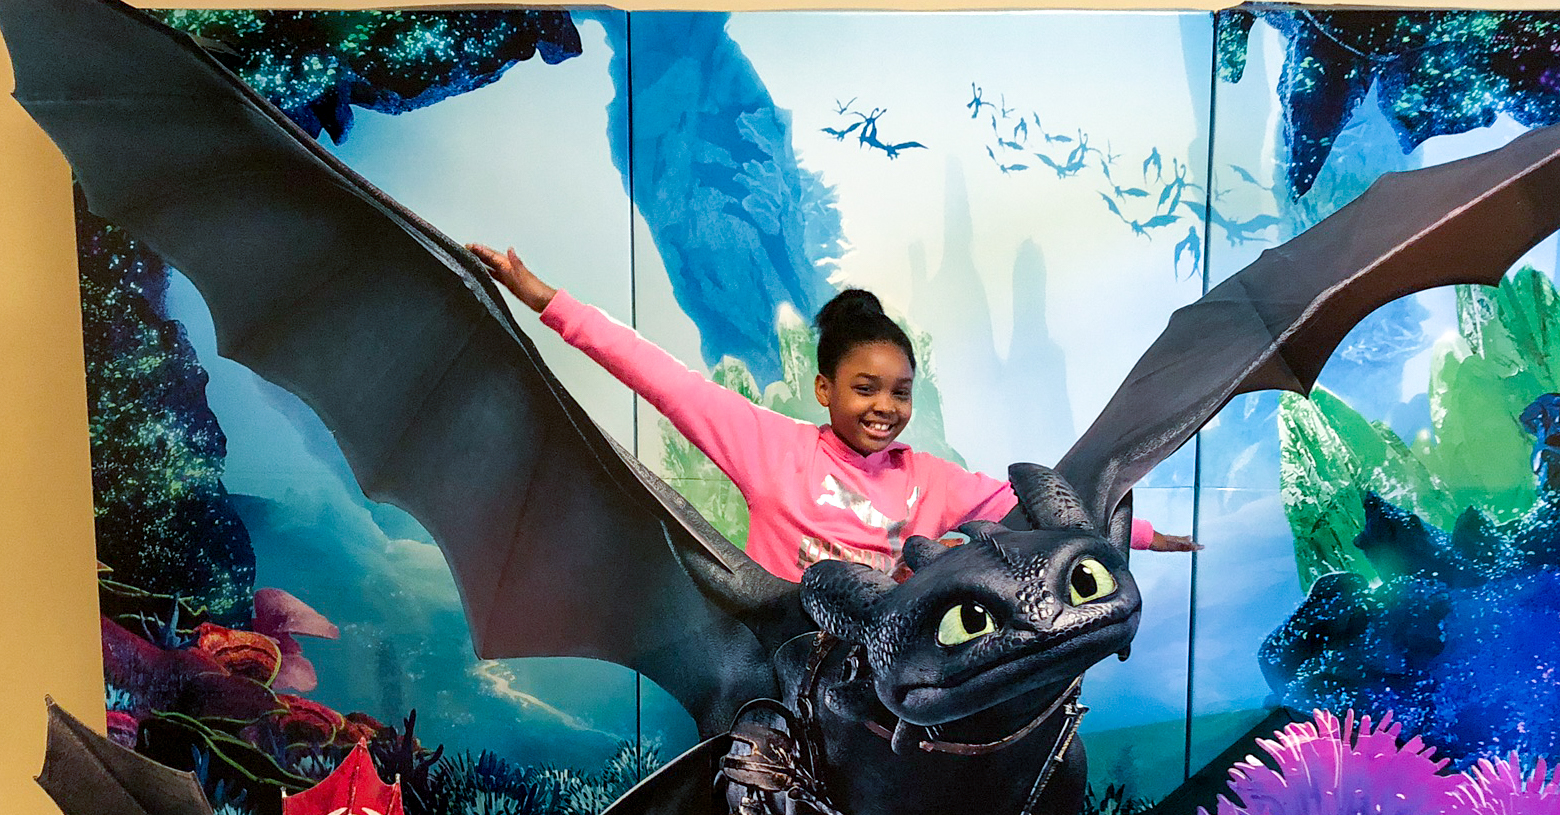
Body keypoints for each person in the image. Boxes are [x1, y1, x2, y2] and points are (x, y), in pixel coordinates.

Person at [468, 245, 1200, 582]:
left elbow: (1037, 504)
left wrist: (1139, 534)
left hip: (882, 674)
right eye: (865, 388)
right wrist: (543, 299)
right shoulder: (769, 446)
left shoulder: (930, 480)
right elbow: (659, 377)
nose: (884, 407)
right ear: (824, 388)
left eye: (900, 392)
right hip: (775, 667)